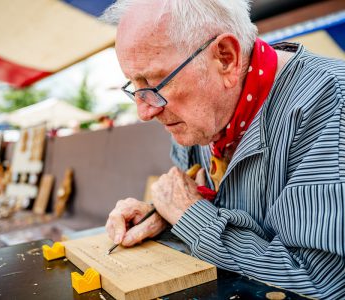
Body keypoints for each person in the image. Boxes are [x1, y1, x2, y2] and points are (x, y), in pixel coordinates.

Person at [101, 1, 345, 298]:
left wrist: (189, 216)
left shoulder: (333, 105)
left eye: (154, 84)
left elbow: (321, 281)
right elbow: (196, 203)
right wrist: (162, 216)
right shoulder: (199, 118)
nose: (144, 111)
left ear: (225, 58)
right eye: (135, 87)